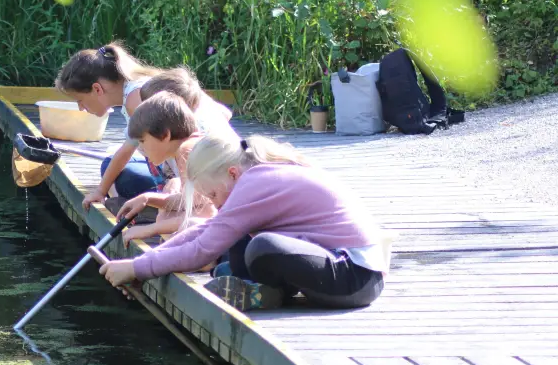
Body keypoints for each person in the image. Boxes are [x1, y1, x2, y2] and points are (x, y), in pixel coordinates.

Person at [97, 132, 390, 310]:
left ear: (233, 173)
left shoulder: (254, 184)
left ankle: (272, 291)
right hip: (334, 264)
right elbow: (207, 229)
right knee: (232, 257)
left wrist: (137, 268)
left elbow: (203, 250)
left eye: (212, 194)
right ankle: (269, 290)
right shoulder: (255, 175)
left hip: (357, 276)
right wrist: (150, 258)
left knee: (261, 247)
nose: (214, 203)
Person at [55, 43, 162, 209]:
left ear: (97, 89)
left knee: (125, 179)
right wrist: (100, 191)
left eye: (80, 100)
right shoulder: (135, 90)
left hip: (199, 176)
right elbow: (128, 148)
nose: (80, 108)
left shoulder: (136, 99)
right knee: (111, 166)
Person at [116, 92, 218, 246]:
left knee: (173, 224)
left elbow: (206, 212)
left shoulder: (187, 150)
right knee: (171, 193)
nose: (141, 148)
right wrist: (148, 199)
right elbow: (191, 202)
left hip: (240, 228)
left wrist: (150, 229)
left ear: (165, 135)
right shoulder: (186, 148)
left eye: (143, 141)